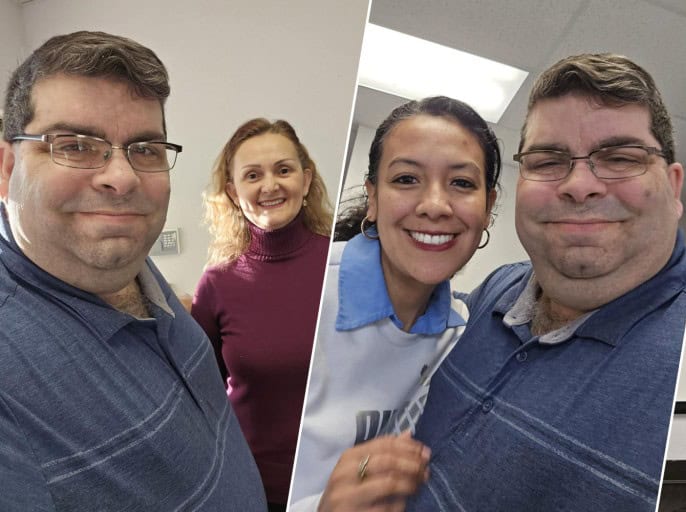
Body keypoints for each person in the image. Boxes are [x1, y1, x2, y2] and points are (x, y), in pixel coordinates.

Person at [399, 53, 686, 511]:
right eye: (548, 159)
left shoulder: (685, 360)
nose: (579, 184)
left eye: (619, 157)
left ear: (674, 188)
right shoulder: (498, 287)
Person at [0, 31, 264, 509]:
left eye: (145, 149)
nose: (121, 178)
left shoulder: (126, 262)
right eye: (75, 145)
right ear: (6, 166)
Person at [289, 96, 500, 511]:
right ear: (373, 197)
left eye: (461, 183)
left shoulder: (460, 335)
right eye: (406, 179)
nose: (435, 206)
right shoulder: (308, 295)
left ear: (488, 207)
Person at [190, 118, 333, 510]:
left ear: (305, 180)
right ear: (234, 193)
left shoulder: (344, 264)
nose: (269, 186)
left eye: (283, 170)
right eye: (253, 175)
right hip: (248, 489)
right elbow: (200, 396)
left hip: (335, 486)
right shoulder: (217, 282)